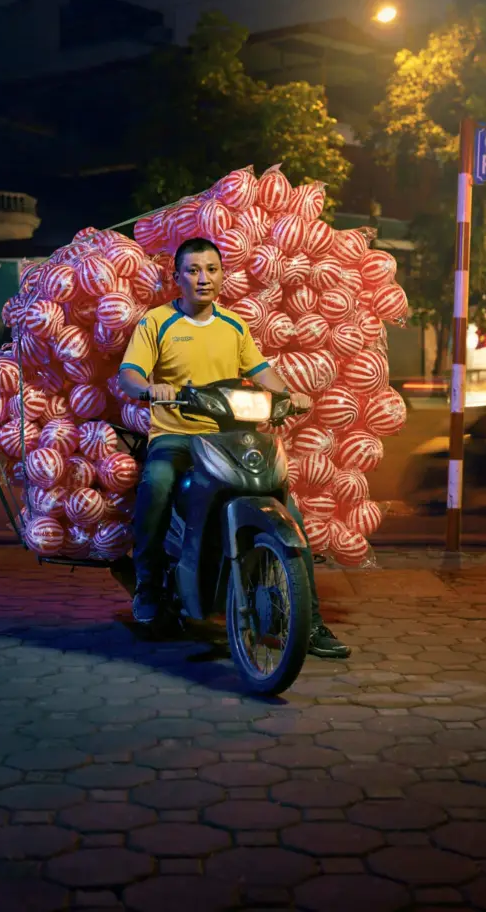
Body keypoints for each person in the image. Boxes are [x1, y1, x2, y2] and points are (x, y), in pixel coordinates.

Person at [118, 237, 351, 659]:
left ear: (223, 275)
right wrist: (150, 389)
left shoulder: (234, 325)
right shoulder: (157, 322)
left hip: (228, 436)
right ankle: (148, 587)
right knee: (157, 482)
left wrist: (289, 395)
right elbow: (129, 374)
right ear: (177, 277)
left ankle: (311, 622)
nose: (203, 278)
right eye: (193, 270)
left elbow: (261, 371)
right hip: (176, 436)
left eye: (211, 269)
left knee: (289, 510)